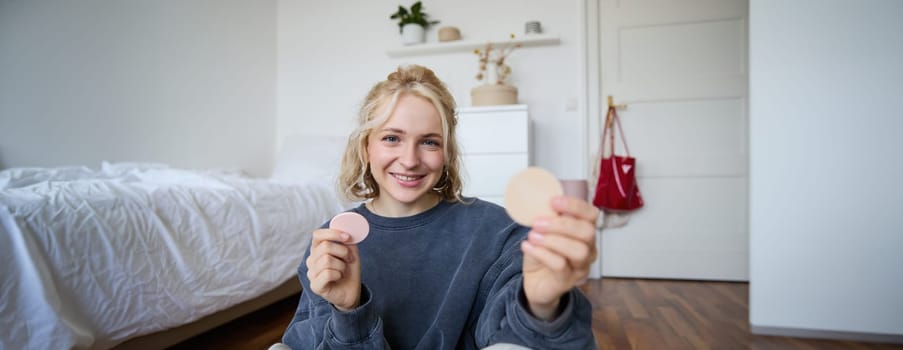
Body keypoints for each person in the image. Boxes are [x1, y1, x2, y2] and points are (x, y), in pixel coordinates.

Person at [280, 65, 598, 349]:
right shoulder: (331, 242)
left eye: (429, 141)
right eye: (392, 138)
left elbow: (520, 339)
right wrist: (349, 312)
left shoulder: (498, 231)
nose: (409, 160)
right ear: (366, 147)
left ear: (446, 153)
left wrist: (541, 307)